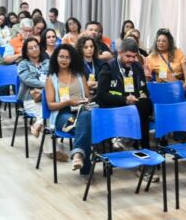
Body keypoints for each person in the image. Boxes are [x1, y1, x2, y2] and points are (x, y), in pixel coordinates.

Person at [95, 38, 152, 150]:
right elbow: (101, 95)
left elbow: (144, 90)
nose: (131, 59)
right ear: (120, 53)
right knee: (140, 110)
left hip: (134, 105)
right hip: (115, 105)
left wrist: (143, 95)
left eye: (134, 56)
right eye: (128, 56)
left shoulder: (137, 67)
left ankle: (127, 140)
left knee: (146, 104)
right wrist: (125, 100)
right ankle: (142, 146)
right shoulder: (108, 68)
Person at [45, 44, 92, 173]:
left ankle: (78, 155)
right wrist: (68, 102)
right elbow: (50, 105)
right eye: (61, 56)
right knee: (86, 127)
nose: (64, 60)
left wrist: (85, 100)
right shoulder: (51, 79)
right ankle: (85, 170)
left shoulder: (79, 75)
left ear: (72, 59)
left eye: (67, 57)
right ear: (56, 58)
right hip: (63, 115)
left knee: (85, 118)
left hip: (82, 110)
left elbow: (88, 97)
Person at [17, 37, 49, 138]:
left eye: (36, 46)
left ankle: (37, 125)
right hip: (31, 98)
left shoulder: (47, 62)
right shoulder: (23, 64)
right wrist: (46, 85)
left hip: (48, 97)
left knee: (51, 114)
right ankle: (51, 151)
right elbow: (27, 79)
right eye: (31, 48)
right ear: (26, 52)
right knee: (45, 115)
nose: (34, 49)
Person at [144, 29, 186, 96]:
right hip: (163, 87)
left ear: (169, 43)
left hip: (180, 85)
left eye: (164, 41)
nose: (161, 43)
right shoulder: (151, 57)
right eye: (158, 41)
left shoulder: (177, 52)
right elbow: (147, 77)